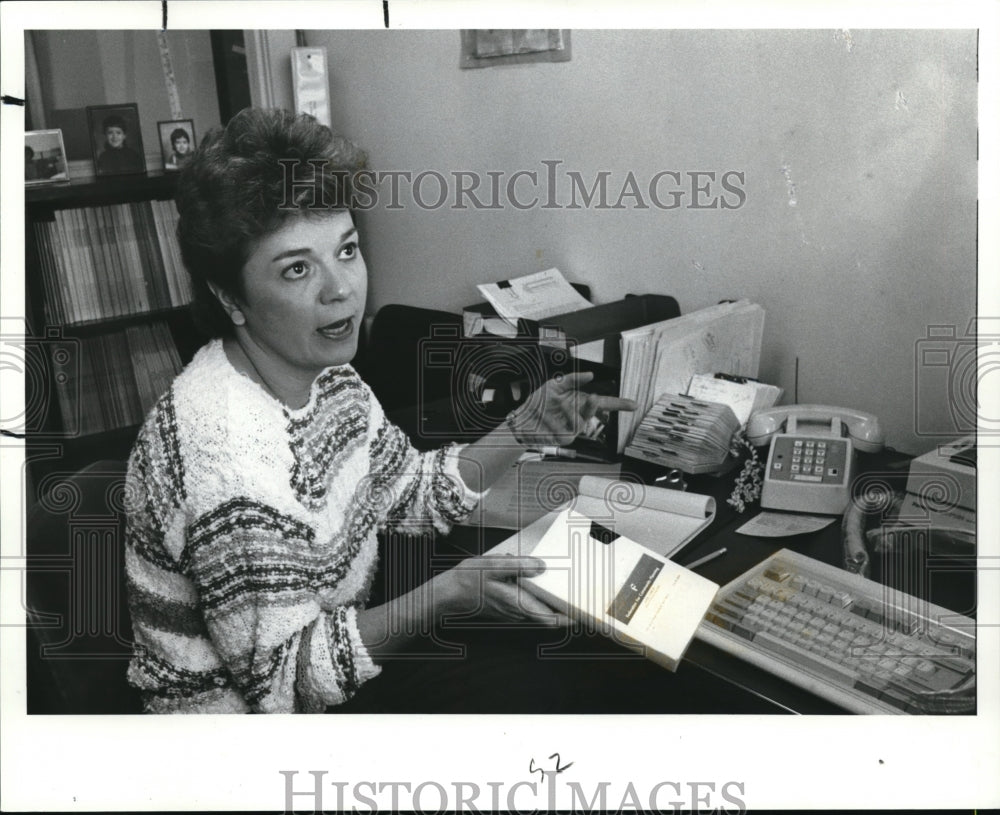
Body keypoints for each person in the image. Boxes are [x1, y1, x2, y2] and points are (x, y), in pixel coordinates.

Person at [124, 107, 636, 713]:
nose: (340, 288)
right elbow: (286, 683)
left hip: (336, 649)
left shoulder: (327, 373)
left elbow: (404, 492)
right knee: (553, 695)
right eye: (296, 268)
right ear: (230, 296)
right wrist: (449, 592)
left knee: (581, 666)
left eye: (346, 250)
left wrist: (524, 429)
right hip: (244, 735)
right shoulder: (228, 457)